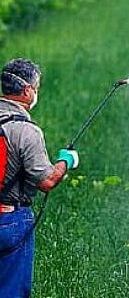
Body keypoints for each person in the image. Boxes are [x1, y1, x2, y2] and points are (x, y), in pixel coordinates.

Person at [0, 58, 79, 298]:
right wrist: (67, 160)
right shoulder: (26, 130)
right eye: (37, 88)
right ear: (27, 91)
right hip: (10, 219)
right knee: (11, 291)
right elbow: (47, 182)